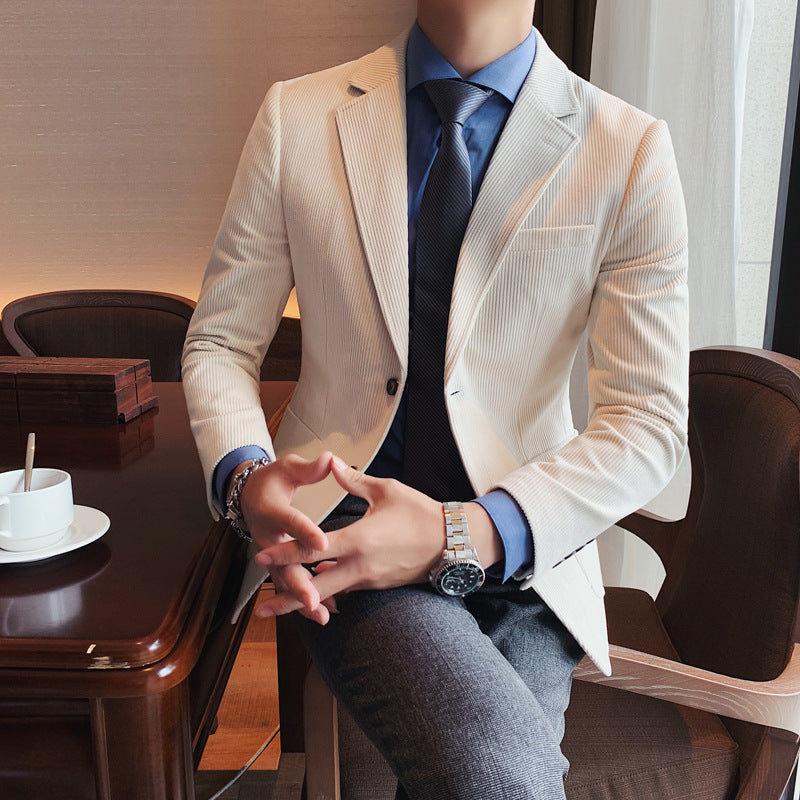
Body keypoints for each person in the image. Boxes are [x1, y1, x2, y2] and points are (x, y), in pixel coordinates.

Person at [182, 0, 689, 796]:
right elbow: (219, 342)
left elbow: (648, 421)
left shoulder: (627, 149)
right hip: (346, 534)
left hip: (525, 549)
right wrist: (246, 475)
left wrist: (470, 532)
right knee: (504, 776)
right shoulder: (298, 117)